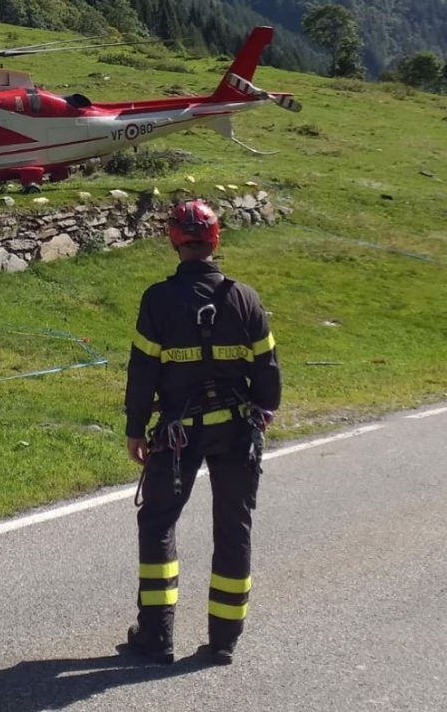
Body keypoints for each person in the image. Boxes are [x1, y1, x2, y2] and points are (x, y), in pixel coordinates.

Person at [122, 199, 281, 665]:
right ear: (215, 239)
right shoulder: (244, 298)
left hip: (178, 433)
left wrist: (136, 429)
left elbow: (142, 372)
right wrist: (261, 416)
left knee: (158, 523)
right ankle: (224, 639)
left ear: (174, 240)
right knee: (234, 527)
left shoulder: (158, 300)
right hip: (237, 432)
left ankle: (156, 636)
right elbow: (268, 375)